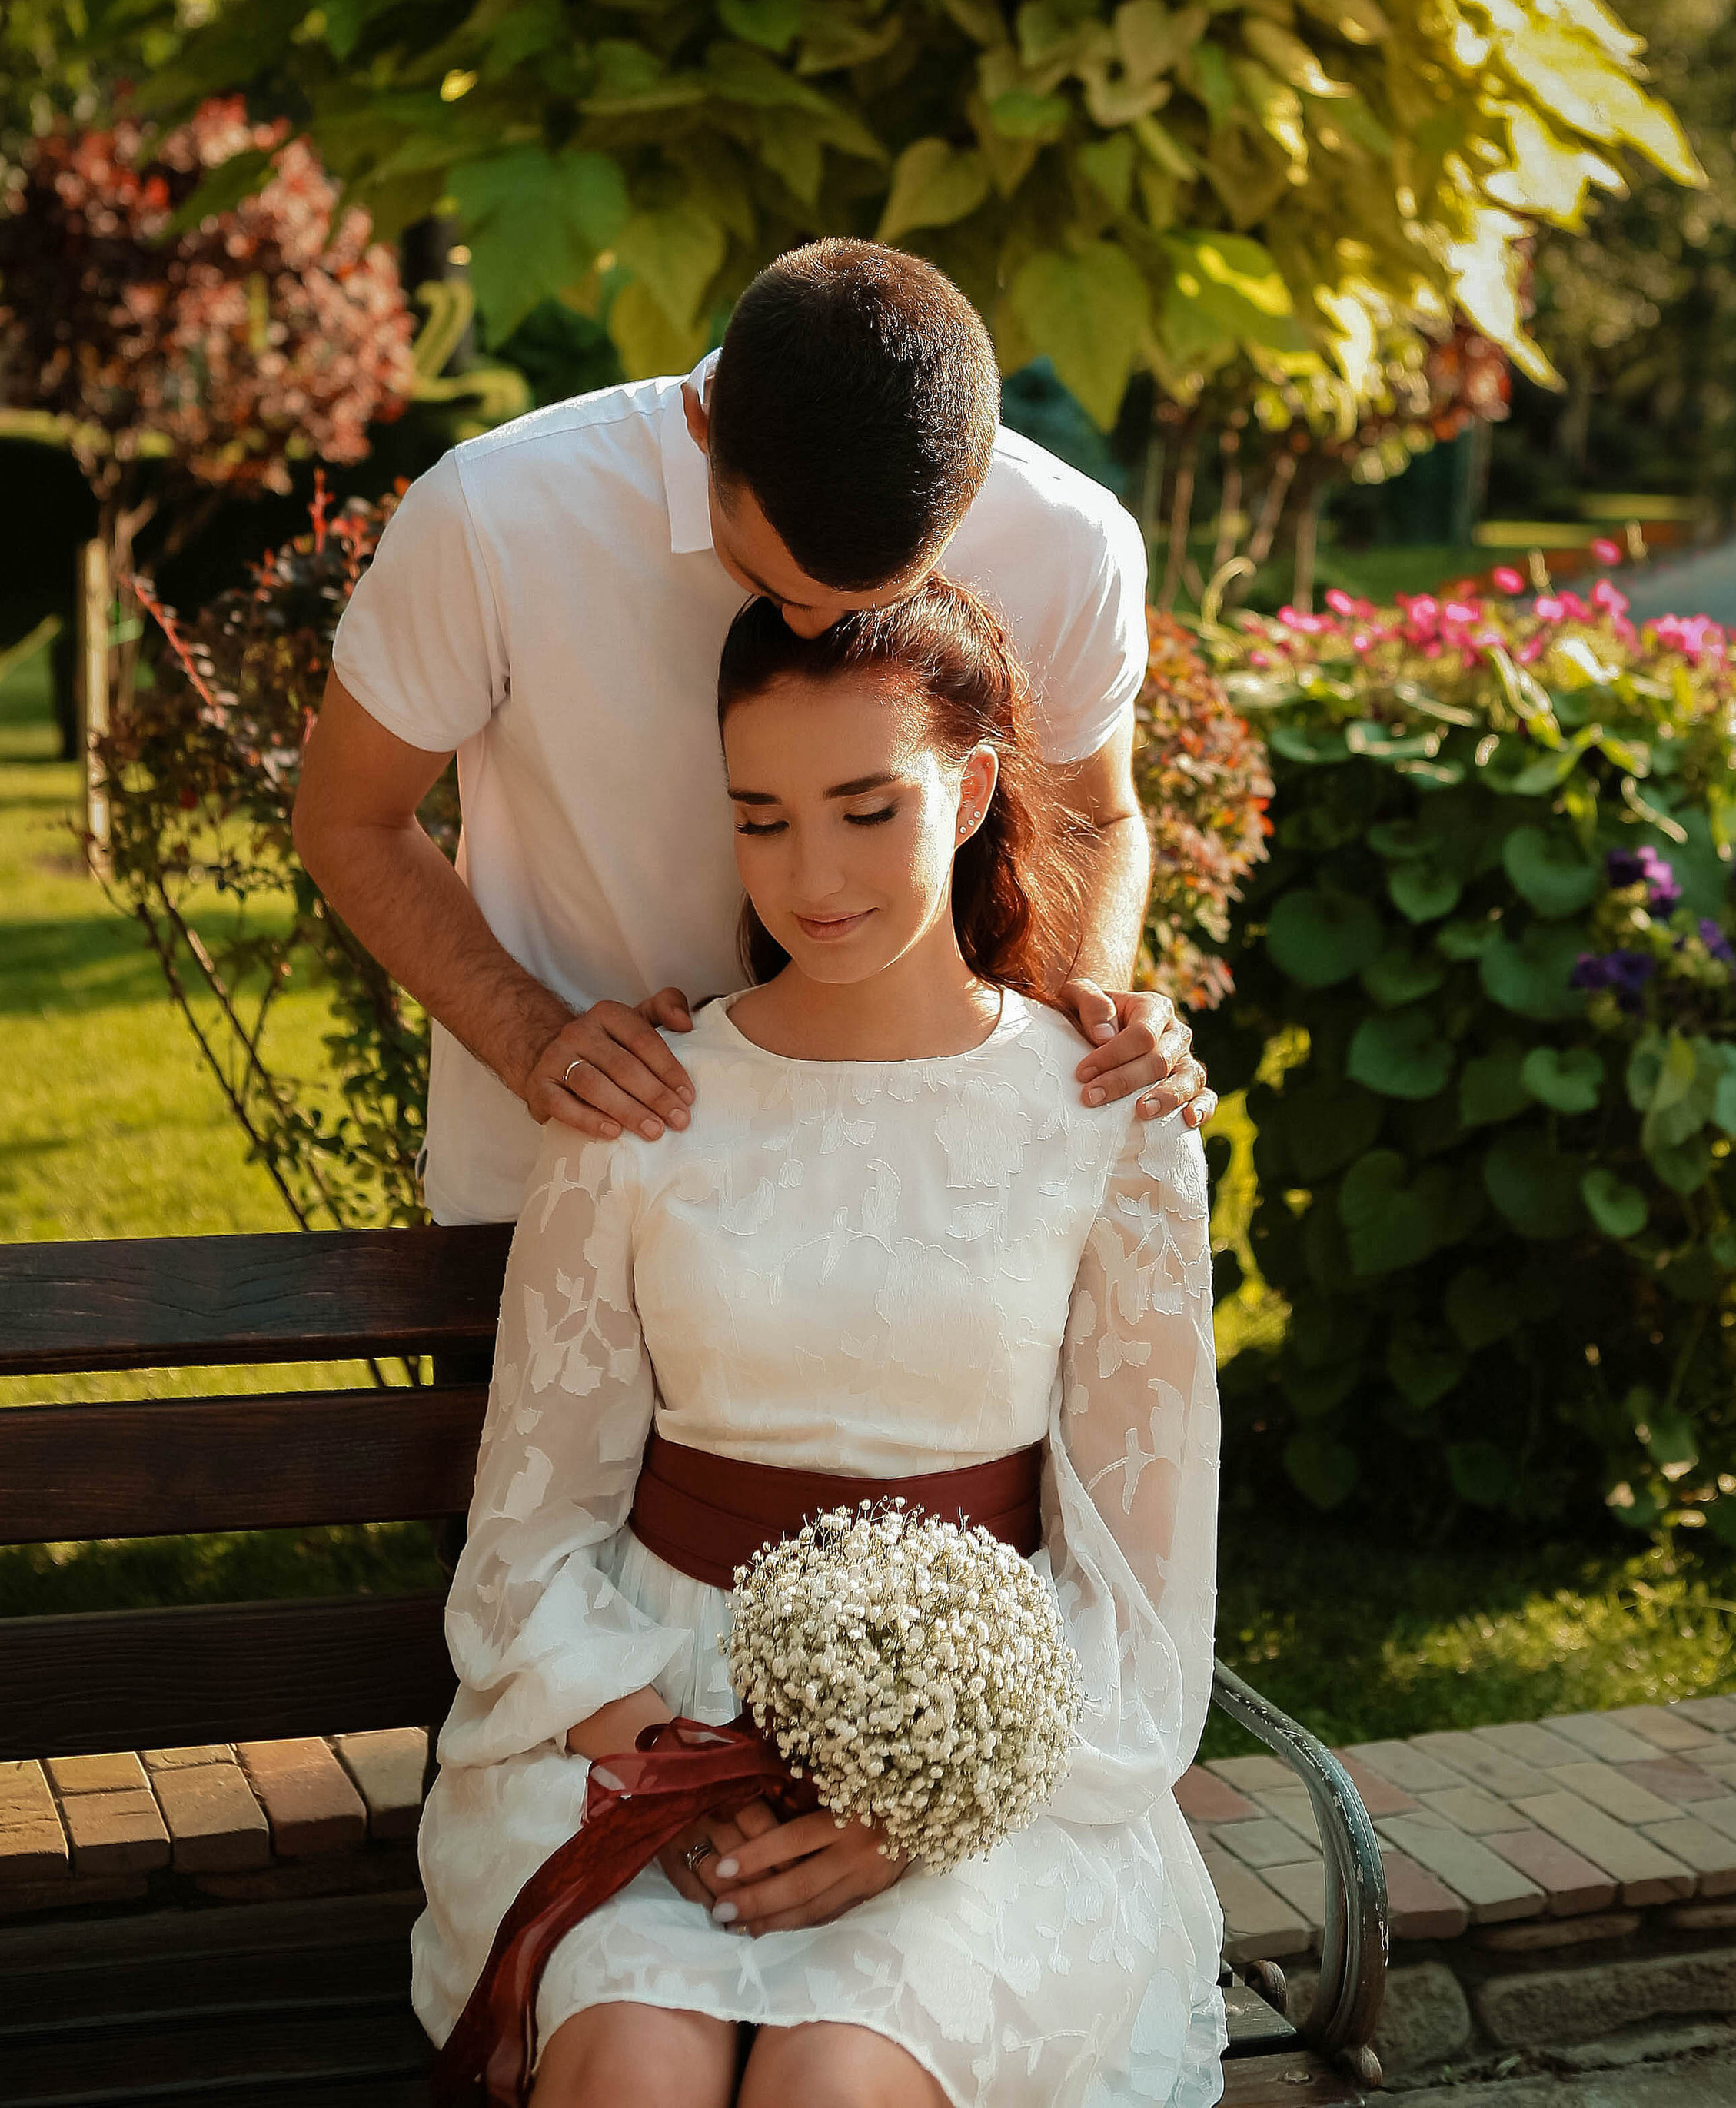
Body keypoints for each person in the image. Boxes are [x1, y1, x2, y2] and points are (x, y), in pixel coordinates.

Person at [412, 580, 1224, 2107]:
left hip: (989, 1760)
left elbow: (1139, 1581)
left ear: (973, 791)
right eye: (762, 817)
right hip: (643, 1710)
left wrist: (925, 1793)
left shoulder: (1104, 1122)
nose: (812, 873)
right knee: (635, 2075)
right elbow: (529, 1528)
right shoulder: (643, 1110)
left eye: (866, 809)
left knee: (834, 2083)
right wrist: (671, 1748)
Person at [294, 241, 1210, 1225]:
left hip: (942, 1204)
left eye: (873, 600)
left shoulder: (1072, 539)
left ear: (975, 478)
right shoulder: (494, 515)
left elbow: (1094, 818)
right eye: (770, 584)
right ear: (701, 424)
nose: (808, 630)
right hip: (564, 1188)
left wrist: (1080, 1033)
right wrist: (529, 1039)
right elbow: (351, 818)